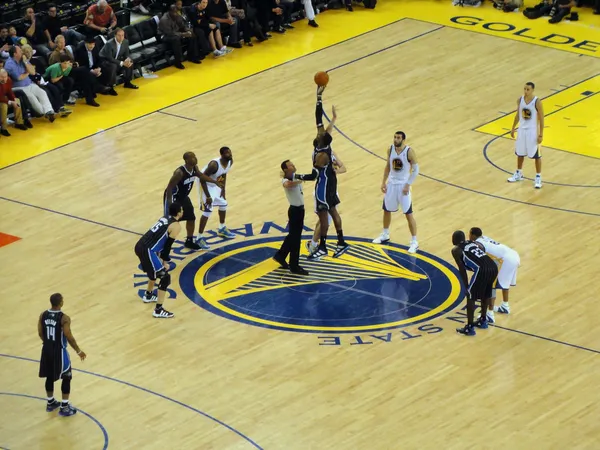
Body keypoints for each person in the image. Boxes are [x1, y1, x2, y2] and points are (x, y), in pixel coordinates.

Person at [299, 86, 348, 261]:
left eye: (320, 133)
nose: (318, 132)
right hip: (331, 184)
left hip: (324, 186)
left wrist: (297, 177)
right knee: (332, 212)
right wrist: (319, 97)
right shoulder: (324, 143)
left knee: (324, 215)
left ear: (322, 138)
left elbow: (313, 176)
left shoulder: (321, 155)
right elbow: (319, 119)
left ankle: (321, 247)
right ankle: (340, 242)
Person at [38, 293, 86, 417]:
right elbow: (68, 335)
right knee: (67, 376)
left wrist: (47, 343)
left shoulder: (43, 315)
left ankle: (50, 402)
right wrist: (78, 350)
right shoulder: (64, 318)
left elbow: (40, 332)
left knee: (49, 376)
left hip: (46, 350)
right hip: (59, 351)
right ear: (61, 303)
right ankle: (64, 407)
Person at [164, 151, 223, 251]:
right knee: (171, 223)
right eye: (192, 157)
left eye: (195, 156)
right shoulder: (179, 173)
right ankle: (164, 246)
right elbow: (169, 189)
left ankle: (189, 241)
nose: (195, 159)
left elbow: (201, 175)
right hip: (174, 197)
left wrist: (214, 182)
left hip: (184, 197)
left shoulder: (194, 168)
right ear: (186, 160)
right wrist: (170, 205)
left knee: (191, 218)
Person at [372, 131, 419, 254]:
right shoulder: (390, 149)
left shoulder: (409, 151)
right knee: (386, 210)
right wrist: (383, 182)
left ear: (403, 140)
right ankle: (385, 234)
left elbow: (416, 170)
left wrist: (408, 184)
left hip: (403, 186)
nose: (395, 139)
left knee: (408, 214)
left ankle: (414, 241)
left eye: (398, 138)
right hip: (392, 184)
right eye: (395, 137)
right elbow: (388, 166)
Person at [134, 203, 184, 317]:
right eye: (181, 210)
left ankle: (148, 295)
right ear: (178, 213)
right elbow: (167, 246)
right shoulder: (176, 226)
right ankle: (158, 310)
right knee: (165, 278)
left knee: (154, 271)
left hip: (140, 245)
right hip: (147, 250)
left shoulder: (165, 218)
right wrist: (164, 262)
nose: (183, 211)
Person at [451, 230, 498, 336]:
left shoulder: (456, 250)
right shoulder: (473, 243)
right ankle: (483, 320)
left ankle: (470, 327)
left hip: (481, 269)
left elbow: (462, 269)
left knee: (470, 297)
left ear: (455, 239)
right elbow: (481, 249)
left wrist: (466, 286)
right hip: (493, 267)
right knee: (486, 294)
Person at [469, 227, 520, 321]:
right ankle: (505, 306)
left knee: (491, 285)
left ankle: (490, 314)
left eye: (469, 234)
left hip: (506, 260)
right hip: (514, 255)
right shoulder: (484, 238)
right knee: (505, 281)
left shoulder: (477, 244)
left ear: (473, 235)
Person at [273, 160, 310, 275]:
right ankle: (294, 266)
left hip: (300, 210)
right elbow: (287, 185)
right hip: (294, 211)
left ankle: (280, 255)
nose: (294, 166)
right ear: (285, 170)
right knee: (296, 239)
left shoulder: (296, 177)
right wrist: (299, 180)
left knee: (293, 236)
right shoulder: (286, 180)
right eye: (291, 165)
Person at [305, 151, 345, 255]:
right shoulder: (320, 155)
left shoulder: (328, 153)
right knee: (325, 221)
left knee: (323, 220)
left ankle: (313, 244)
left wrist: (334, 171)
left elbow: (343, 168)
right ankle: (314, 246)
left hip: (328, 191)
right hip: (324, 192)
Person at [507, 82, 545, 189]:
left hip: (532, 132)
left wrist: (541, 134)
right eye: (524, 89)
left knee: (536, 155)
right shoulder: (520, 100)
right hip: (522, 131)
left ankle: (538, 177)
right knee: (520, 153)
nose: (526, 91)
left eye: (528, 89)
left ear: (532, 90)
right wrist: (513, 128)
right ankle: (519, 173)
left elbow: (541, 118)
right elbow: (517, 115)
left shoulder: (537, 102)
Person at [197, 147, 235, 248]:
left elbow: (224, 174)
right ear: (222, 155)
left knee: (223, 204)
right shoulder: (214, 165)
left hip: (215, 184)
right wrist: (208, 196)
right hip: (205, 184)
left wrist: (223, 190)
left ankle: (222, 228)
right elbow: (202, 178)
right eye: (227, 153)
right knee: (208, 211)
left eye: (230, 152)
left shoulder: (230, 161)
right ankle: (199, 238)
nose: (230, 154)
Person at [5, 46, 56, 122]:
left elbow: (33, 72)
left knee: (42, 92)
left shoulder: (23, 59)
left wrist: (26, 63)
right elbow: (19, 78)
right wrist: (28, 71)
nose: (22, 51)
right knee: (32, 97)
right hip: (18, 87)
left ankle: (49, 111)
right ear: (15, 54)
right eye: (20, 51)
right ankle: (44, 112)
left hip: (29, 84)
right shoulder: (9, 64)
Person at [159, 4, 202, 69]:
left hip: (176, 32)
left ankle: (192, 56)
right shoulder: (164, 20)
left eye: (176, 12)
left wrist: (188, 30)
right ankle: (178, 62)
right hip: (165, 36)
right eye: (174, 12)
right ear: (169, 11)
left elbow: (182, 26)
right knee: (176, 39)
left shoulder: (177, 15)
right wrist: (183, 34)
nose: (175, 13)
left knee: (192, 35)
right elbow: (170, 33)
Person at [0, 68, 27, 136]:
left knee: (17, 100)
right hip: (1, 99)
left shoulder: (8, 80)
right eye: (2, 77)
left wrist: (13, 99)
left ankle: (18, 123)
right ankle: (3, 128)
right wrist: (11, 102)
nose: (4, 79)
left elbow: (10, 92)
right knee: (4, 106)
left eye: (5, 77)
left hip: (4, 98)